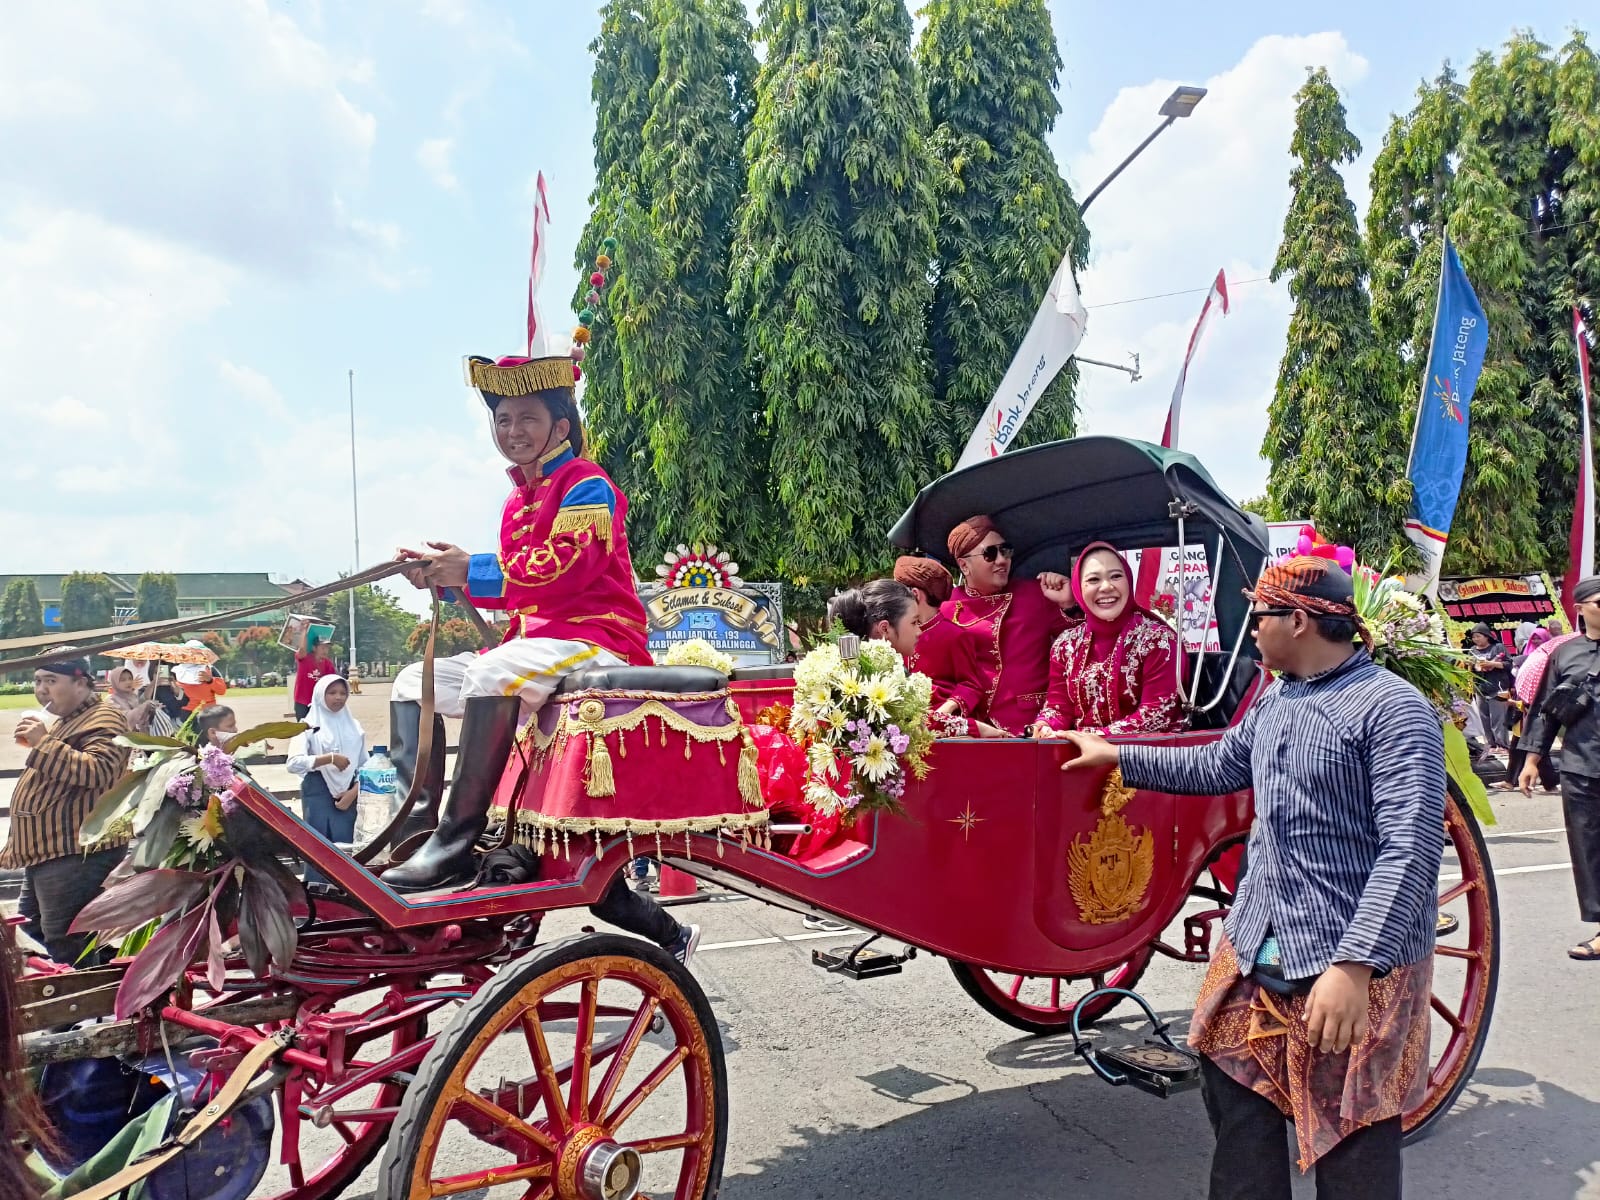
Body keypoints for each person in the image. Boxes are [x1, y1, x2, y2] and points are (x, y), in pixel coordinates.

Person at [1059, 556, 1444, 1199]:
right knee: (1237, 1097)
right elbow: (1218, 765)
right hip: (1259, 940)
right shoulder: (1276, 700)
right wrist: (1117, 757)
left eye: (1257, 616)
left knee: (1354, 1136)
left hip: (1350, 963)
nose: (1251, 629)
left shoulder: (1393, 711)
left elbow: (1409, 850)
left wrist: (1353, 967)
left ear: (1297, 621)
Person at [382, 349, 696, 961]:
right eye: (501, 420)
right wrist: (446, 574)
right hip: (539, 652)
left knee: (493, 671)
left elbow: (565, 572)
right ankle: (418, 828)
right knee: (407, 683)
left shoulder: (588, 483)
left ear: (560, 426)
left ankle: (454, 841)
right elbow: (521, 588)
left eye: (526, 418)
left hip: (600, 643)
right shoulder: (513, 503)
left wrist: (469, 569)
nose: (511, 431)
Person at [1, 653, 132, 965]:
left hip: (76, 849)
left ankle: (81, 1006)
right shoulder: (68, 719)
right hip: (49, 849)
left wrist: (43, 744)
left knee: (64, 937)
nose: (42, 689)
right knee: (32, 933)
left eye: (51, 681)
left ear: (80, 683)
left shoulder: (106, 718)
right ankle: (54, 1004)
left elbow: (99, 771)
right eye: (38, 681)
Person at [1518, 574, 1600, 961]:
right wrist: (1532, 759)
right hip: (1581, 766)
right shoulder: (1564, 655)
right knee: (1589, 849)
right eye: (1598, 602)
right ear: (1581, 609)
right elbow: (1545, 712)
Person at [1033, 542, 1185, 737]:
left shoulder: (1159, 640)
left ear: (1128, 581)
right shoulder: (1065, 645)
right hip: (1080, 755)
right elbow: (1058, 707)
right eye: (1093, 580)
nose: (1106, 587)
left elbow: (1155, 716)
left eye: (1116, 576)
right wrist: (1043, 726)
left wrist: (1090, 740)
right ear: (1079, 588)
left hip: (1142, 759)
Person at [944, 515, 1075, 734]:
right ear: (964, 565)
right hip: (976, 732)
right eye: (990, 553)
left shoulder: (1035, 594)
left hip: (1033, 727)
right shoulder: (948, 611)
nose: (1002, 560)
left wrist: (1069, 603)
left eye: (1005, 551)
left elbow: (1080, 641)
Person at [892, 557, 1008, 737]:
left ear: (915, 594)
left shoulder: (955, 635)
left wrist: (945, 711)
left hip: (941, 724)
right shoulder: (896, 630)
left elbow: (971, 684)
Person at [288, 675, 365, 884]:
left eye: (343, 693)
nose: (338, 698)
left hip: (347, 799)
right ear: (320, 695)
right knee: (318, 849)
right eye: (332, 693)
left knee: (345, 848)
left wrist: (352, 793)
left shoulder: (354, 727)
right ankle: (318, 900)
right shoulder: (306, 726)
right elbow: (293, 762)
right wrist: (329, 759)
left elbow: (365, 766)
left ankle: (346, 898)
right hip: (318, 794)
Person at [1466, 623, 1512, 752]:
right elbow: (1469, 668)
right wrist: (1473, 666)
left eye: (1478, 636)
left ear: (1486, 636)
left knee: (1498, 719)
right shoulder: (1472, 651)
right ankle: (1491, 744)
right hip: (1480, 688)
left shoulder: (1497, 648)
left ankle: (1502, 745)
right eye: (1474, 637)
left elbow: (1508, 664)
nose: (1476, 639)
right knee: (1484, 718)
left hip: (1497, 687)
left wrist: (1492, 664)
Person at [104, 664, 175, 737]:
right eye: (123, 680)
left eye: (130, 678)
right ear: (114, 681)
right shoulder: (111, 700)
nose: (128, 682)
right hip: (121, 739)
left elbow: (141, 712)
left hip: (139, 738)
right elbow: (125, 718)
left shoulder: (133, 696)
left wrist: (152, 709)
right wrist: (145, 706)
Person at [292, 623, 338, 721]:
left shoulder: (328, 664)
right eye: (322, 647)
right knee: (304, 730)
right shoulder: (304, 658)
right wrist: (304, 630)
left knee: (319, 729)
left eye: (327, 648)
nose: (325, 650)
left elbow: (333, 682)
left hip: (319, 703)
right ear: (314, 648)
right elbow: (302, 649)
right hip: (302, 702)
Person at [175, 643, 228, 713]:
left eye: (197, 653)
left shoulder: (210, 669)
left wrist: (210, 680)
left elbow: (222, 691)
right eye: (190, 653)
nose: (193, 656)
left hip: (207, 711)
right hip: (185, 711)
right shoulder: (176, 670)